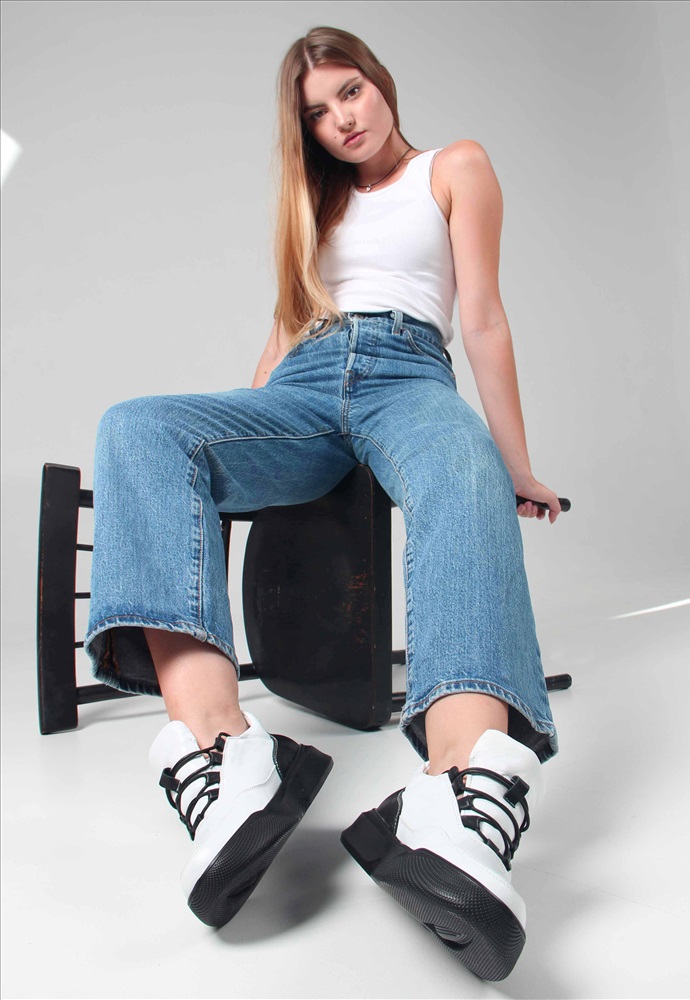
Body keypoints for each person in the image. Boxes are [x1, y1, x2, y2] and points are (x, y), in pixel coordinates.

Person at [84, 25, 562, 982]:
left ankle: (458, 791)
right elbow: (282, 329)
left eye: (349, 91)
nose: (341, 119)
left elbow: (482, 317)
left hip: (409, 376)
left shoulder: (453, 167)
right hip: (303, 388)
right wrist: (231, 440)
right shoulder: (316, 201)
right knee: (139, 428)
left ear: (379, 83)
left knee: (463, 468)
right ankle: (223, 755)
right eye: (317, 112)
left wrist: (516, 461)